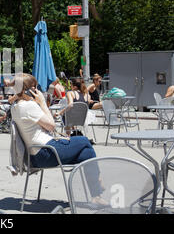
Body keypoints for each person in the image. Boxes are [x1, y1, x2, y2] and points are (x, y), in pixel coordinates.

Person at [10, 73, 105, 204]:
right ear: (29, 90)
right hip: (46, 152)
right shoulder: (28, 106)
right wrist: (42, 103)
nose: (38, 90)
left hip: (35, 155)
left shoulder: (15, 107)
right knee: (83, 141)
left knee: (86, 153)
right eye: (35, 87)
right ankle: (97, 186)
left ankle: (96, 196)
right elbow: (51, 125)